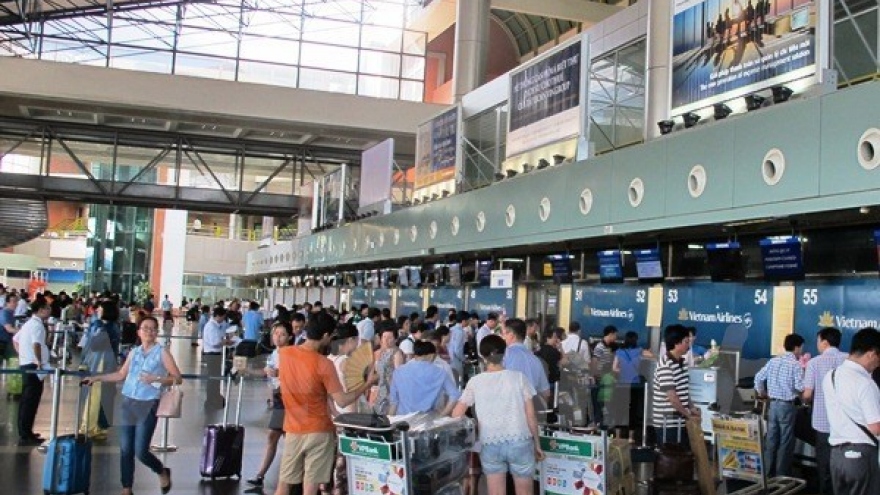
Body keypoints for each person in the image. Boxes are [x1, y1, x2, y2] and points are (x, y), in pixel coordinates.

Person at [274, 312, 377, 495]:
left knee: (283, 486)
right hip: (319, 431)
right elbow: (342, 400)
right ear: (325, 336)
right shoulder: (324, 364)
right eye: (330, 337)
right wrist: (367, 384)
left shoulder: (285, 354)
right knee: (310, 489)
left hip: (293, 428)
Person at [83, 316, 182, 495]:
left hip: (148, 403)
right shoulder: (134, 352)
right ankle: (126, 487)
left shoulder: (162, 352)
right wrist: (97, 378)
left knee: (140, 451)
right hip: (128, 401)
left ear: (157, 332)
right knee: (125, 448)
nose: (149, 332)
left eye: (153, 329)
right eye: (145, 328)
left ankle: (161, 470)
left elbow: (177, 378)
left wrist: (156, 379)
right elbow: (121, 374)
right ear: (139, 332)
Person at [452, 334, 545, 495]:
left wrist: (475, 423)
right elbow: (531, 416)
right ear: (505, 353)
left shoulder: (475, 382)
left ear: (482, 356)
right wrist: (537, 444)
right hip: (520, 440)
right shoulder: (519, 378)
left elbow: (456, 414)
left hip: (490, 441)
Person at [822, 327, 880, 495]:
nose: (877, 365)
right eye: (878, 359)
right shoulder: (865, 384)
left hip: (837, 457)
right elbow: (875, 427)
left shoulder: (831, 376)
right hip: (860, 457)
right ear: (871, 353)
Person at [247, 321, 294, 488]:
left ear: (290, 336)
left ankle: (288, 479)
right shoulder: (275, 353)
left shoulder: (292, 354)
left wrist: (278, 373)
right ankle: (262, 475)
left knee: (284, 438)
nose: (277, 337)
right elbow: (269, 375)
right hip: (279, 399)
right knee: (274, 437)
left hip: (289, 399)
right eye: (275, 334)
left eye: (282, 334)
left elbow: (295, 375)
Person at [803, 327, 847, 495]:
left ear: (825, 342)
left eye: (818, 341)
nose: (817, 345)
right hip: (844, 425)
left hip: (822, 424)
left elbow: (807, 394)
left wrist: (807, 399)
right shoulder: (848, 360)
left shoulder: (814, 363)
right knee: (843, 464)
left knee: (824, 465)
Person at [754, 333, 805, 477]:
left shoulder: (774, 361)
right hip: (787, 406)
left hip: (772, 405)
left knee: (770, 439)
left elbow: (758, 377)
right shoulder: (795, 365)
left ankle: (767, 474)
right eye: (801, 348)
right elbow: (800, 387)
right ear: (796, 347)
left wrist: (763, 393)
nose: (801, 351)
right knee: (785, 442)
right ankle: (782, 476)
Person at [652, 325, 699, 446]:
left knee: (682, 459)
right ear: (676, 343)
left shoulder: (681, 362)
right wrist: (688, 414)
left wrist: (692, 407)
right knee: (670, 461)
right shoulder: (665, 364)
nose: (688, 345)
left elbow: (683, 390)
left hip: (680, 421)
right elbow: (672, 397)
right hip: (667, 423)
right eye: (686, 341)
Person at [80, 299, 121, 439]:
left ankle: (91, 427)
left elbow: (94, 344)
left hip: (101, 366)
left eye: (100, 309)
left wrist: (95, 325)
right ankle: (100, 426)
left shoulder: (105, 328)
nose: (97, 311)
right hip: (108, 365)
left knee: (96, 396)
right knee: (105, 396)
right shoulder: (113, 327)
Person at [14, 299, 51, 446]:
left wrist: (23, 355)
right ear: (41, 310)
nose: (49, 310)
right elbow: (36, 344)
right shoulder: (37, 326)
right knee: (31, 401)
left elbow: (15, 340)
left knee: (26, 400)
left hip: (26, 363)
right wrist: (39, 361)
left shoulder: (28, 324)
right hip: (34, 366)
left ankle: (26, 431)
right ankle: (25, 435)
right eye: (47, 308)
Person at [389, 341, 460, 415]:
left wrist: (390, 420)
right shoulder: (440, 372)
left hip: (402, 420)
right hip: (428, 421)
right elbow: (454, 395)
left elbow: (394, 402)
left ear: (415, 355)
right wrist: (442, 415)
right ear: (431, 355)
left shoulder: (398, 371)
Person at [501, 318, 551, 403]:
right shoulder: (536, 360)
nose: (503, 337)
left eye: (504, 334)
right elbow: (546, 393)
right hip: (531, 410)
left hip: (508, 408)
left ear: (511, 335)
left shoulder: (503, 355)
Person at [612, 331, 654, 434]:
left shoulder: (619, 351)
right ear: (636, 340)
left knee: (620, 409)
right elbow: (652, 356)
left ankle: (618, 436)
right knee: (633, 410)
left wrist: (623, 371)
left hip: (621, 384)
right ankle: (631, 436)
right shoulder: (639, 351)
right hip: (635, 385)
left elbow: (614, 368)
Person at [202, 306, 232, 409]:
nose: (223, 319)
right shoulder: (211, 327)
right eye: (223, 317)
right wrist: (225, 342)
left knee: (216, 378)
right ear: (218, 316)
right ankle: (211, 400)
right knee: (213, 378)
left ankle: (215, 398)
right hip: (212, 354)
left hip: (216, 354)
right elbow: (214, 343)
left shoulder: (217, 326)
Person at [372, 322, 404, 414]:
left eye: (389, 338)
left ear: (395, 339)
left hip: (390, 393)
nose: (386, 340)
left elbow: (399, 376)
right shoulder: (377, 352)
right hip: (377, 391)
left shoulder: (396, 353)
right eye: (384, 337)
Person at [592, 325, 618, 426]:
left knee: (606, 402)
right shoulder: (600, 347)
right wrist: (595, 375)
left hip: (608, 378)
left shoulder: (611, 347)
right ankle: (598, 422)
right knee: (600, 402)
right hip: (600, 378)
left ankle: (604, 423)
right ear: (610, 334)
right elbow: (595, 361)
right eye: (615, 335)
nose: (616, 337)